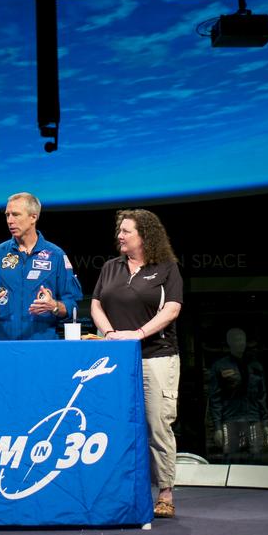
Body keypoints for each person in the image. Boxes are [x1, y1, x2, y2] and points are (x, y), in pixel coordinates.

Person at [90, 209, 183, 519]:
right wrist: (110, 334)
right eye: (120, 230)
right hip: (117, 359)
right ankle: (121, 491)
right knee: (115, 425)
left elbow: (171, 310)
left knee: (157, 425)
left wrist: (138, 334)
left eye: (126, 231)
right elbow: (96, 305)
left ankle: (165, 493)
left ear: (144, 236)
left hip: (156, 356)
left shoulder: (166, 268)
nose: (120, 235)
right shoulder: (110, 267)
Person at [0, 192, 82, 340]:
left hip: (42, 345)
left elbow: (72, 305)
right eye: (7, 215)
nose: (10, 221)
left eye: (16, 215)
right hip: (4, 345)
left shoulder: (56, 256)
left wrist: (54, 306)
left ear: (33, 217)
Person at [208, 327, 268, 461]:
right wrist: (217, 427)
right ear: (229, 342)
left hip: (253, 419)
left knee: (256, 458)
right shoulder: (220, 366)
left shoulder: (255, 366)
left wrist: (265, 423)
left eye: (242, 339)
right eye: (236, 340)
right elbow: (215, 399)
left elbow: (262, 396)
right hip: (230, 420)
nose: (240, 342)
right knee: (232, 459)